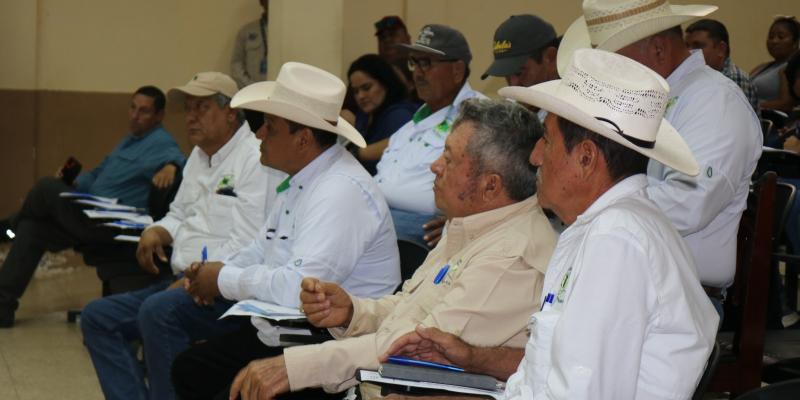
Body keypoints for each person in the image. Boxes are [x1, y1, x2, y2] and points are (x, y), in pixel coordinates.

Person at [386, 48, 720, 399]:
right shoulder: (604, 227)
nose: (535, 157)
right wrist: (472, 358)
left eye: (546, 140)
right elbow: (550, 372)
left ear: (586, 158)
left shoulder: (615, 241)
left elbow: (583, 393)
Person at [211, 98, 558, 400]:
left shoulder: (510, 256)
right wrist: (352, 312)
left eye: (449, 159)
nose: (434, 166)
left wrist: (295, 367)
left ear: (490, 186)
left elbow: (412, 346)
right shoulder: (474, 224)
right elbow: (410, 306)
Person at [170, 62, 403, 400]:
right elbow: (259, 247)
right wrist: (209, 272)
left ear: (303, 139)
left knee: (226, 389)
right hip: (287, 332)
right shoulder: (304, 178)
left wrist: (222, 279)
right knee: (190, 369)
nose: (259, 134)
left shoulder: (339, 190)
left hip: (333, 348)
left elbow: (298, 288)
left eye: (270, 126)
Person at [80, 72, 280, 400]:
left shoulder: (256, 158)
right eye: (188, 108)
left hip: (224, 291)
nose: (190, 117)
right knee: (98, 317)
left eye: (201, 108)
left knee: (158, 312)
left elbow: (248, 245)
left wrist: (196, 279)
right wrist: (156, 231)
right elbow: (180, 215)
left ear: (230, 112)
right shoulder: (199, 157)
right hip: (182, 281)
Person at [559, 0, 763, 316]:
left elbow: (689, 204)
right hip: (634, 285)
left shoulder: (714, 102)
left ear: (657, 49)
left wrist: (593, 202)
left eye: (615, 61)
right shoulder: (655, 98)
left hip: (678, 300)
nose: (608, 74)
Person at [0, 86, 185, 328]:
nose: (135, 115)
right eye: (132, 107)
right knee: (34, 226)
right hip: (91, 212)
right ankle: (3, 306)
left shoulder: (161, 142)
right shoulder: (128, 142)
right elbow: (98, 174)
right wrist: (75, 182)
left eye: (144, 111)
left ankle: (6, 228)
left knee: (45, 188)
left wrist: (172, 165)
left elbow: (183, 160)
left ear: (159, 116)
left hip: (114, 221)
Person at [374, 24, 485, 247]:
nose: (417, 72)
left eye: (426, 63)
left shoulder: (480, 116)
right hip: (380, 218)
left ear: (457, 70)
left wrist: (462, 220)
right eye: (414, 62)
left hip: (419, 233)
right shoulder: (413, 122)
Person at [347, 54, 418, 175]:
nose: (361, 96)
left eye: (366, 87)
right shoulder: (365, 115)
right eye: (356, 91)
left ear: (385, 83)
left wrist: (358, 153)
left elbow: (407, 144)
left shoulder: (399, 115)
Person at [685, 18, 759, 111]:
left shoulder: (734, 79)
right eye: (686, 46)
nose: (689, 52)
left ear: (721, 49)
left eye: (698, 46)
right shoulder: (697, 76)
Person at [481, 14, 560, 91]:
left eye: (519, 73)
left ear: (550, 57)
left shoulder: (571, 98)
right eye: (507, 75)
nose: (513, 84)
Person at [751, 16, 800, 111]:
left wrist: (752, 106)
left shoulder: (789, 69)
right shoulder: (762, 67)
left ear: (795, 43)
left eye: (781, 37)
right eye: (771, 36)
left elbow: (786, 104)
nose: (774, 41)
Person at [231, 0, 269, 88]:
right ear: (261, 2)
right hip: (251, 90)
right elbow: (236, 63)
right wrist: (250, 87)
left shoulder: (286, 32)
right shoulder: (247, 31)